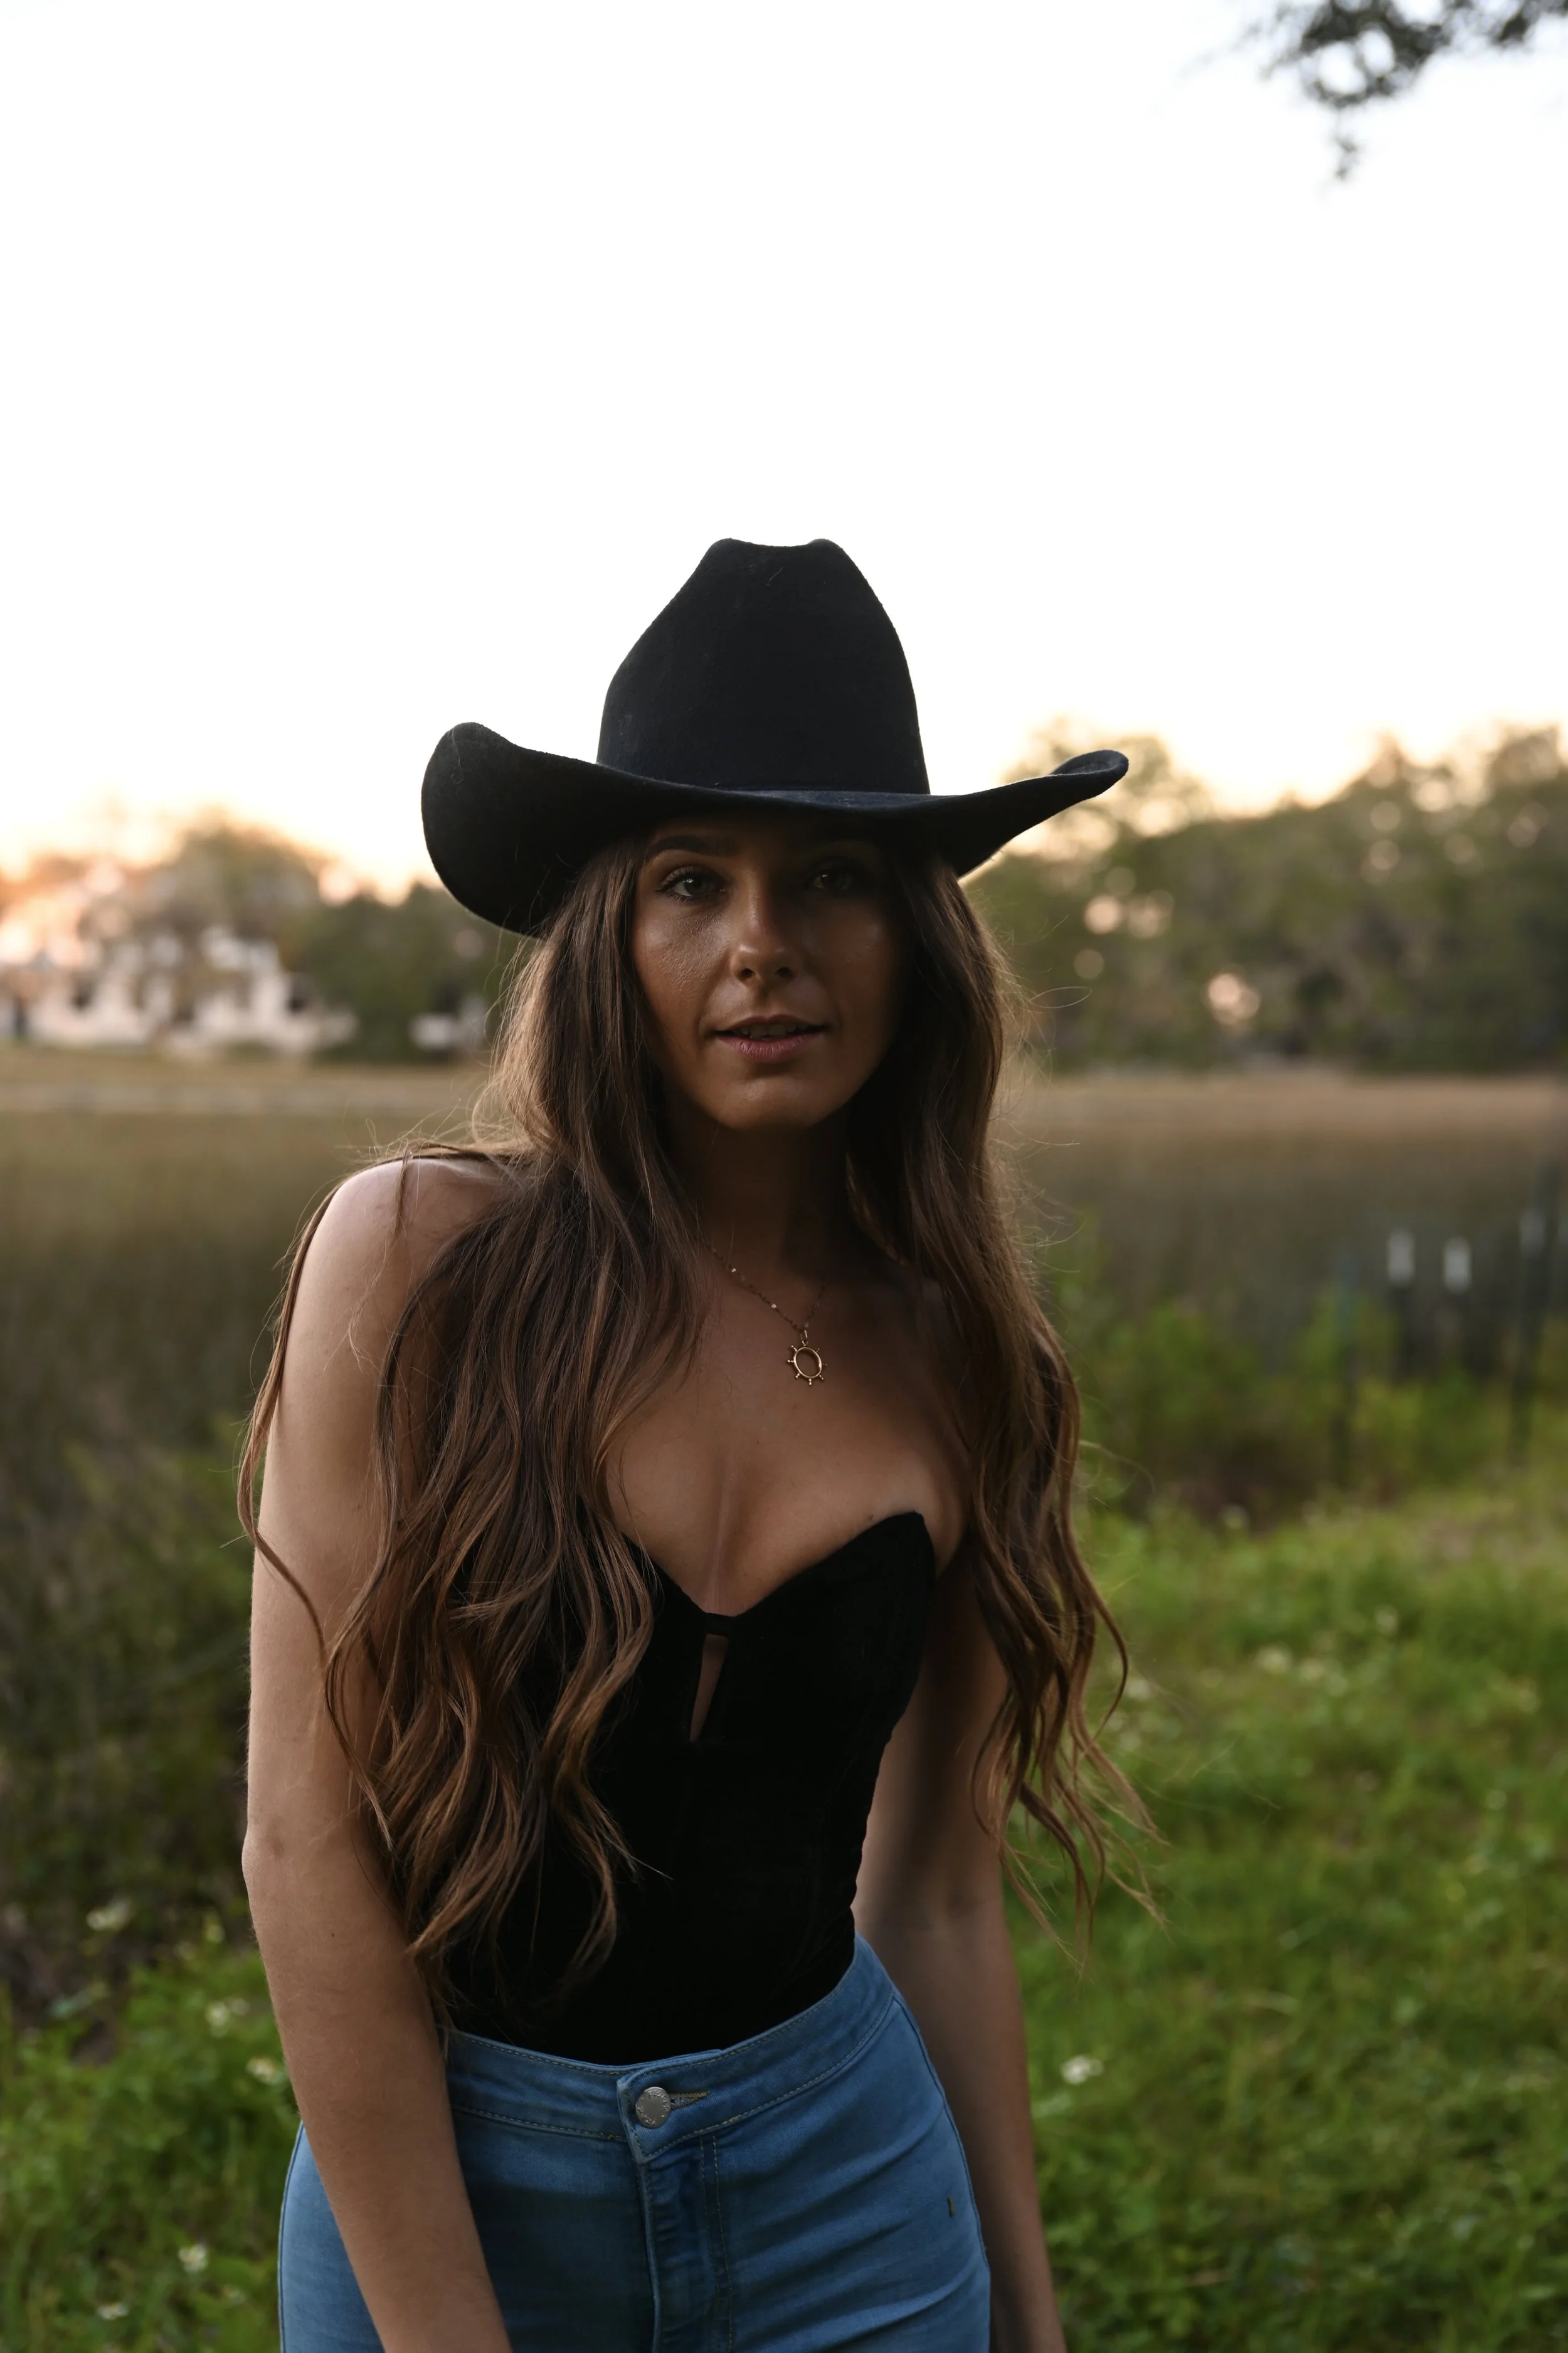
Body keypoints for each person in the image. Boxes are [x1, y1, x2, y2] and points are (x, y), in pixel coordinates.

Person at [241, 538, 1133, 2353]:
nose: (761, 945)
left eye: (831, 879)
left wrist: (1029, 2320)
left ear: (917, 935)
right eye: (687, 882)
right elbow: (303, 1842)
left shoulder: (967, 1355)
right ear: (608, 938)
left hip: (844, 2195)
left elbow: (939, 1896)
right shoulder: (419, 1262)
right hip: (455, 2188)